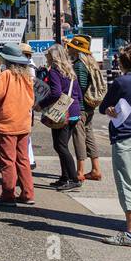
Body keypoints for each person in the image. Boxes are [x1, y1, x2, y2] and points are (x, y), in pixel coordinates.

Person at [98, 41, 131, 246]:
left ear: (122, 62)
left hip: (124, 136)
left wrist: (110, 110)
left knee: (126, 185)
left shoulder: (121, 82)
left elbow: (104, 106)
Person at [0, 44, 37, 204]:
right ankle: (28, 194)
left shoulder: (6, 74)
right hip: (23, 121)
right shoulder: (27, 76)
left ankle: (8, 194)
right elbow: (32, 99)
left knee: (7, 160)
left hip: (8, 122)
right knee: (23, 159)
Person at [38, 42, 84, 191]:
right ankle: (64, 177)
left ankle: (73, 178)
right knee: (61, 145)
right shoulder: (70, 70)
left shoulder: (54, 71)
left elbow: (56, 93)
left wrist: (41, 104)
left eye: (48, 55)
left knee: (60, 146)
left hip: (62, 112)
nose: (46, 57)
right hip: (74, 111)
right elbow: (78, 92)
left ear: (53, 56)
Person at [67, 35, 105, 182]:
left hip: (81, 106)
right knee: (89, 136)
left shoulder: (79, 65)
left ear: (76, 49)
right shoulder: (91, 63)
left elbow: (80, 86)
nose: (68, 49)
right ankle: (96, 169)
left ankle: (80, 171)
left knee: (79, 137)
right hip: (90, 106)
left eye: (71, 47)